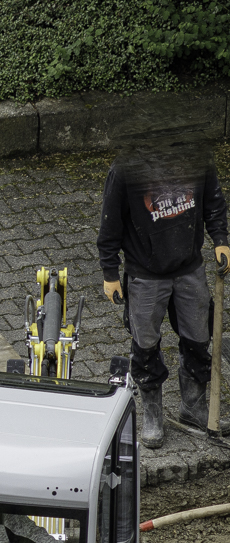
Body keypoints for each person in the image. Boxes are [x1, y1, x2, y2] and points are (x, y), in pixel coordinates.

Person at [97, 141, 229, 446]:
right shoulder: (126, 169)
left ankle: (193, 408)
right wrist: (110, 273)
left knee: (198, 339)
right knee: (145, 346)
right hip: (145, 275)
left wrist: (220, 238)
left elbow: (213, 201)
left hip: (189, 268)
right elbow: (110, 223)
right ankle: (153, 414)